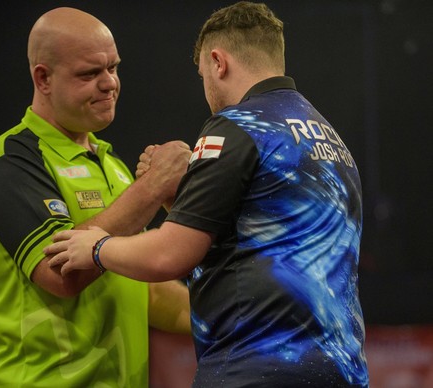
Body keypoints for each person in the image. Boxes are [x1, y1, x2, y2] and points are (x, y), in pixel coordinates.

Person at [45, 2, 370, 387]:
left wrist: (98, 246)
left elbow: (171, 255)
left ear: (218, 62)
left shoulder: (235, 126)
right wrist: (179, 203)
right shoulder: (328, 138)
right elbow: (259, 240)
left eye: (202, 74)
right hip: (341, 368)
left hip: (255, 368)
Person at [0, 7, 193, 387]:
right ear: (43, 78)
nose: (109, 84)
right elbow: (61, 276)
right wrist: (154, 186)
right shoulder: (10, 162)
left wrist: (242, 319)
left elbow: (145, 291)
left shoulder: (111, 163)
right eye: (90, 73)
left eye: (114, 68)